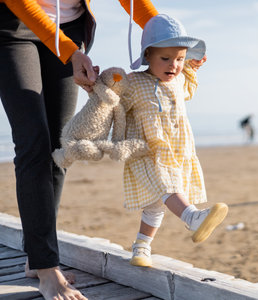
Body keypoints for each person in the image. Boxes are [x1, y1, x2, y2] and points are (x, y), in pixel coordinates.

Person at [0, 1, 158, 299]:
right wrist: (70, 52)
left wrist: (165, 35)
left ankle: (37, 257)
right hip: (12, 27)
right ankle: (47, 268)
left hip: (68, 29)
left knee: (61, 147)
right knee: (32, 141)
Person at [121, 14, 228, 267]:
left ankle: (141, 248)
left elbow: (188, 89)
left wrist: (191, 68)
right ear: (148, 56)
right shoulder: (135, 82)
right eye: (166, 58)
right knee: (168, 186)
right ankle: (192, 218)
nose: (174, 65)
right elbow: (114, 102)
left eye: (180, 59)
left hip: (177, 151)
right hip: (148, 151)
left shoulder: (179, 80)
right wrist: (102, 86)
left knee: (154, 206)